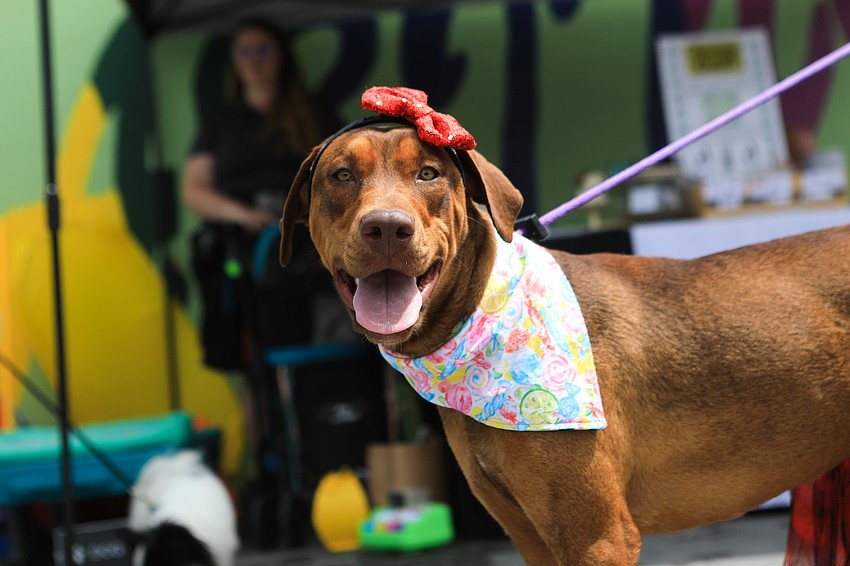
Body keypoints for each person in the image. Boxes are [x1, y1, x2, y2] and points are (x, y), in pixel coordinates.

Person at [183, 18, 338, 371]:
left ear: (281, 57)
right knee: (251, 358)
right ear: (236, 62)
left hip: (311, 246)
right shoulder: (221, 120)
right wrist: (242, 215)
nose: (254, 59)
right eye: (245, 51)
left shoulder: (315, 112)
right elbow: (194, 190)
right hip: (247, 249)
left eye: (263, 50)